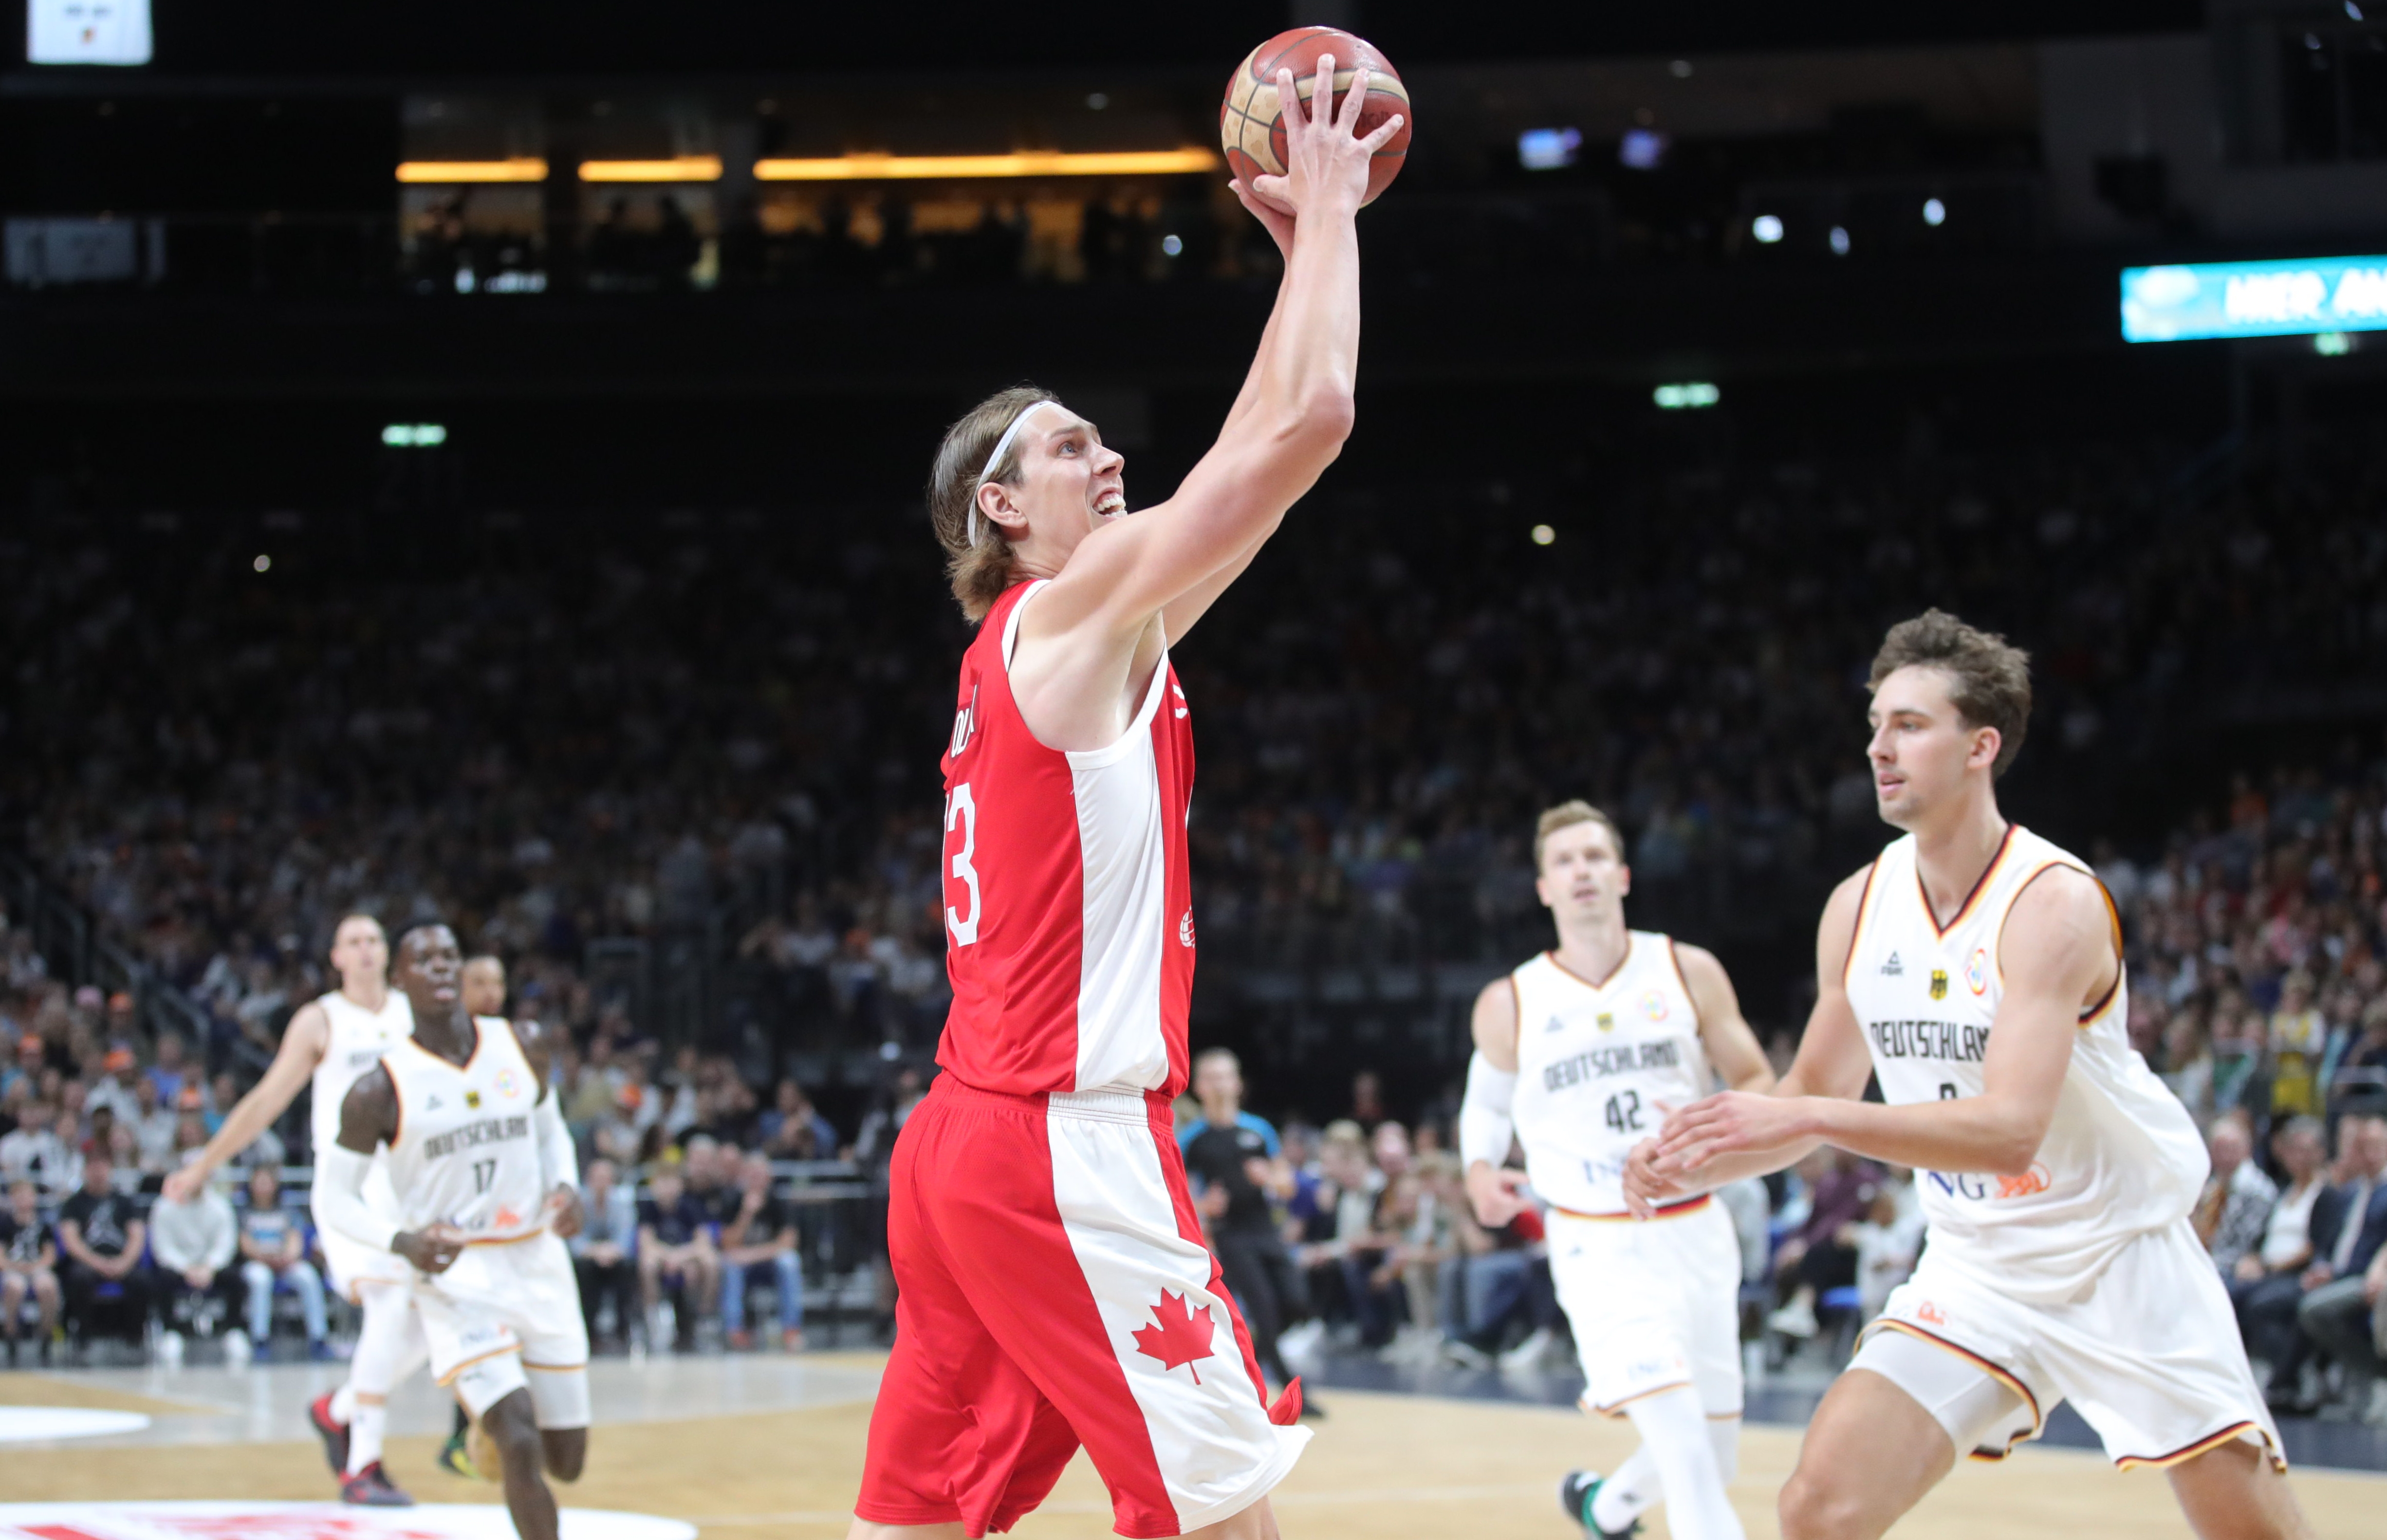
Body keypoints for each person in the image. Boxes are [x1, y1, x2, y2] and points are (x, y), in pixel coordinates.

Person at [851, 55, 1399, 1540]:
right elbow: (1311, 424)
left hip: (967, 1134)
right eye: (1066, 446)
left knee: (918, 1516)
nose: (1107, 456)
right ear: (1001, 510)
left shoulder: (1058, 640)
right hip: (1057, 1137)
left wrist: (1301, 263)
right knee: (1221, 1504)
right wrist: (1335, 206)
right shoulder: (1073, 609)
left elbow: (1269, 462)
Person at [1630, 611, 2311, 1540]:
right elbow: (1799, 1096)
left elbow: (2006, 1132)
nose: (1878, 745)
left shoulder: (2052, 901)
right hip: (1978, 1263)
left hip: (2116, 1253)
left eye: (1909, 723)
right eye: (1875, 723)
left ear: (1980, 744)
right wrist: (1694, 1160)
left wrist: (1819, 1117)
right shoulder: (1858, 904)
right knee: (1817, 1507)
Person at [1461, 800, 1776, 1540]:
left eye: (1595, 857)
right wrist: (1478, 1173)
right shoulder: (1509, 1001)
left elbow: (1757, 1079)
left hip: (1697, 1231)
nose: (1581, 872)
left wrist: (1709, 1138)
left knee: (1714, 1455)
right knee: (1692, 1467)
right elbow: (1484, 1106)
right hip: (1595, 1242)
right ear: (1542, 888)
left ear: (1623, 874)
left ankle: (1603, 1510)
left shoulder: (1686, 969)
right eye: (1564, 861)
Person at [314, 923, 590, 1540]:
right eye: (424, 959)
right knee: (518, 1432)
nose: (440, 967)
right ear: (401, 979)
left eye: (449, 957)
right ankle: (495, 1429)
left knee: (566, 1459)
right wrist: (402, 1241)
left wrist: (568, 1187)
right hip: (455, 1275)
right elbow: (335, 1197)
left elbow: (552, 1133)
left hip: (537, 1260)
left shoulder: (522, 1043)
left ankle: (494, 1438)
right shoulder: (377, 1089)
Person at [163, 912, 424, 1505]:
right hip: (348, 1184)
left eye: (373, 940)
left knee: (429, 1321)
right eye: (352, 941)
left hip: (409, 1184)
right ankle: (365, 1465)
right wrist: (204, 1164)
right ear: (335, 956)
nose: (364, 950)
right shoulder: (321, 1019)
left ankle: (337, 1409)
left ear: (387, 953)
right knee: (387, 1297)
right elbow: (266, 1100)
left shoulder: (412, 1014)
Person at [1179, 1047, 1311, 1401]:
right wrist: (1202, 1206)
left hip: (1265, 1229)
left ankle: (1248, 1350)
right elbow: (1172, 1193)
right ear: (1199, 1086)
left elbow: (1287, 1185)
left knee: (1298, 1302)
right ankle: (1293, 1391)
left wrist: (1269, 1178)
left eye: (1226, 1076)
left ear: (1238, 1083)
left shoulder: (1259, 1130)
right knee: (1264, 1308)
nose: (1220, 1084)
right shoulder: (1192, 1139)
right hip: (1230, 1235)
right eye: (1212, 1077)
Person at [2293, 1115, 2387, 1421]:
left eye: (2378, 1146)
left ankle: (2377, 1376)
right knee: (2286, 1297)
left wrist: (2377, 1270)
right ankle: (2299, 1384)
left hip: (2368, 1279)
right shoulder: (2352, 1191)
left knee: (2314, 1309)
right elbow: (2329, 1238)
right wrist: (2323, 1267)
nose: (2371, 1154)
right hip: (2340, 1274)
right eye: (2365, 1147)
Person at [56, 1149, 148, 1353]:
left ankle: (134, 1336)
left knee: (142, 1279)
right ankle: (85, 1335)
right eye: (93, 1167)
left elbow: (137, 1235)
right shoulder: (74, 1204)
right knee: (78, 1278)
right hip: (89, 1262)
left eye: (102, 1167)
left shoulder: (125, 1201)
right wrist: (98, 1263)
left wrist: (124, 1262)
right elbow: (71, 1241)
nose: (98, 1172)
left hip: (121, 1259)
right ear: (85, 1171)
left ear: (110, 1170)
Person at [239, 1165, 331, 1360]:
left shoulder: (287, 1210)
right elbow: (246, 1245)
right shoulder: (244, 1212)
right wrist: (266, 1258)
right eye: (259, 1183)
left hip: (285, 1261)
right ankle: (260, 1338)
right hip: (258, 1262)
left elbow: (295, 1241)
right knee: (260, 1279)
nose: (263, 1187)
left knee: (307, 1276)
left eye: (267, 1182)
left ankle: (319, 1337)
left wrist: (287, 1257)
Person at [718, 1150, 804, 1352]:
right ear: (744, 1176)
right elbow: (728, 1244)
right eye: (752, 1174)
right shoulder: (733, 1200)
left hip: (767, 1263)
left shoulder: (779, 1200)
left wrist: (751, 1255)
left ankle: (791, 1330)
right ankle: (735, 1332)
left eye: (760, 1174)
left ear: (769, 1177)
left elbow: (788, 1242)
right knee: (730, 1265)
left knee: (790, 1262)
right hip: (743, 1267)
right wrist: (746, 1215)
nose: (756, 1180)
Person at [150, 1163, 239, 1354]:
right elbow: (163, 1248)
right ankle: (171, 1333)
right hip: (179, 1266)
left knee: (237, 1278)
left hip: (210, 1266)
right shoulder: (164, 1206)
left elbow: (225, 1245)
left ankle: (234, 1331)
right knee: (161, 1279)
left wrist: (209, 1267)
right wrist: (187, 1268)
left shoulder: (221, 1206)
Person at [635, 1161, 715, 1351]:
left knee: (711, 1262)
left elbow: (703, 1242)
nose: (667, 1188)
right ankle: (653, 1319)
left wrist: (680, 1257)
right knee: (647, 1263)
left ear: (680, 1185)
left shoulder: (692, 1206)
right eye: (662, 1182)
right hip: (662, 1259)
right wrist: (669, 1257)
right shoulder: (648, 1208)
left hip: (687, 1258)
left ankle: (705, 1317)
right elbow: (646, 1243)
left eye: (671, 1182)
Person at [569, 1157, 637, 1349]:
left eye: (606, 1178)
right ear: (589, 1180)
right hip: (589, 1259)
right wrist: (597, 1252)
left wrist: (610, 1252)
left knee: (627, 1269)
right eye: (597, 1178)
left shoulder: (622, 1203)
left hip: (614, 1258)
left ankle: (623, 1331)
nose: (601, 1183)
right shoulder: (579, 1203)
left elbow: (625, 1239)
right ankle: (589, 1332)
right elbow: (575, 1241)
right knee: (584, 1270)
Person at [0, 1176, 59, 1363]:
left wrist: (35, 1267)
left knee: (47, 1286)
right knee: (14, 1286)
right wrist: (15, 1267)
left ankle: (46, 1334)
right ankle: (11, 1333)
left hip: (37, 1267)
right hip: (13, 1268)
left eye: (28, 1196)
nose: (24, 1200)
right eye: (19, 1196)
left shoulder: (44, 1224)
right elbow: (1, 1256)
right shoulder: (5, 1224)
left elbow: (50, 1256)